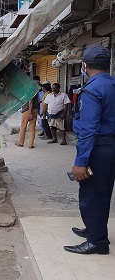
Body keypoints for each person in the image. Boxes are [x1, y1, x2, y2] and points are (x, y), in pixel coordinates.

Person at [64, 46, 115, 255]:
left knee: (92, 195)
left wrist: (81, 162)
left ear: (84, 66)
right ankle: (93, 230)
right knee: (104, 193)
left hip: (99, 149)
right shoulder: (112, 84)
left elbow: (88, 130)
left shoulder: (92, 90)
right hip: (111, 147)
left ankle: (97, 242)